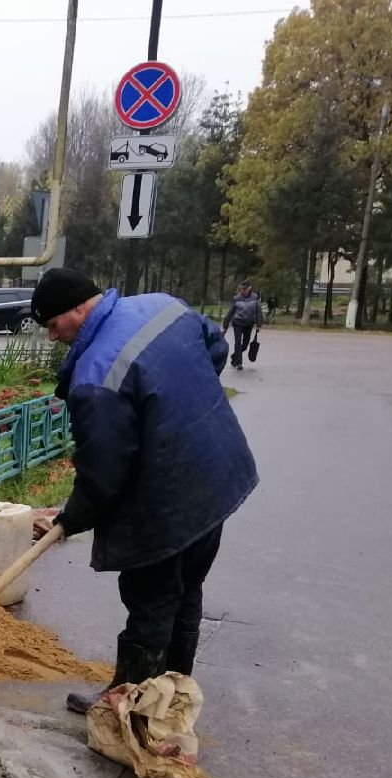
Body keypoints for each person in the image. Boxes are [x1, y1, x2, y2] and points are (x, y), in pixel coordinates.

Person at [30, 268, 259, 714]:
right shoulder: (162, 305)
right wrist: (175, 406)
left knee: (151, 598)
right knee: (187, 586)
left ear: (79, 307)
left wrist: (70, 518)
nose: (53, 337)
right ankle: (171, 698)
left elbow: (103, 472)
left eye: (54, 325)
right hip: (219, 471)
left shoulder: (97, 374)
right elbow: (215, 348)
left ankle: (131, 704)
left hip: (171, 493)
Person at [222, 281, 264, 369]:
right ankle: (239, 363)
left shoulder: (255, 297)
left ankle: (235, 356)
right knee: (238, 342)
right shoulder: (236, 298)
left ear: (249, 288)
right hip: (238, 323)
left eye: (244, 289)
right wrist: (225, 325)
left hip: (249, 324)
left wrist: (258, 324)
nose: (242, 290)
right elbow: (231, 312)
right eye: (241, 289)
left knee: (245, 344)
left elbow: (258, 311)